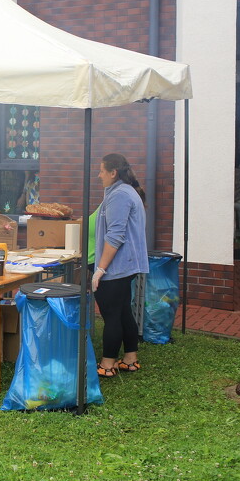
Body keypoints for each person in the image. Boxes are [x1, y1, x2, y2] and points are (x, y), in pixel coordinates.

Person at [92, 153, 149, 379]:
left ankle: (107, 364)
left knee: (111, 315)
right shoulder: (122, 192)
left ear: (113, 172)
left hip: (117, 266)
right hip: (124, 265)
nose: (99, 175)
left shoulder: (120, 196)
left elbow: (115, 236)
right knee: (124, 311)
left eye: (102, 170)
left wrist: (100, 269)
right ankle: (130, 359)